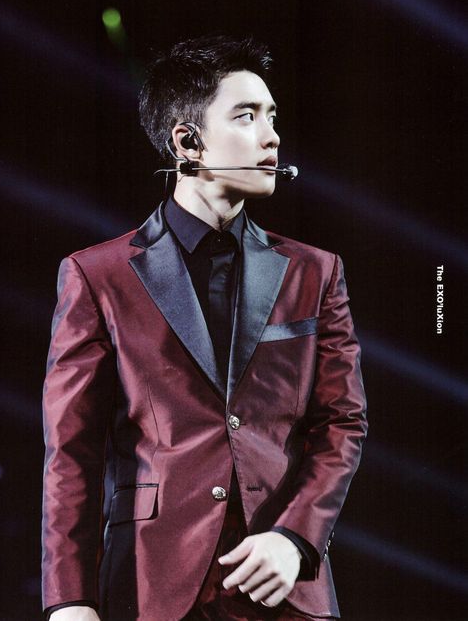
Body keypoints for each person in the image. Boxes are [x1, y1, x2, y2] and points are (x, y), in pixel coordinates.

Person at [41, 35, 367, 621]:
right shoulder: (97, 276)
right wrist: (69, 600)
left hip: (284, 587)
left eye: (272, 117)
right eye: (246, 116)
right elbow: (72, 451)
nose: (271, 136)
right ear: (187, 142)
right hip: (151, 586)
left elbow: (343, 422)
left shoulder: (316, 272)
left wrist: (295, 538)